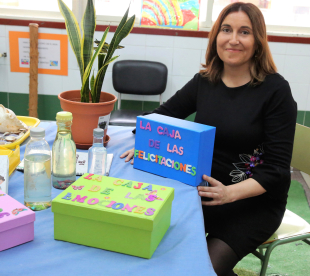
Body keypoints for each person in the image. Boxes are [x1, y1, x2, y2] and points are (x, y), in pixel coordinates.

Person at [120, 2, 297, 276]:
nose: (233, 39)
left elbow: (276, 170)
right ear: (216, 36)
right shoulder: (206, 81)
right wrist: (143, 141)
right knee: (155, 251)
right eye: (226, 29)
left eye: (245, 32)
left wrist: (228, 194)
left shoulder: (276, 91)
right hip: (201, 193)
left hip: (252, 203)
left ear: (258, 41)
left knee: (202, 270)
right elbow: (163, 115)